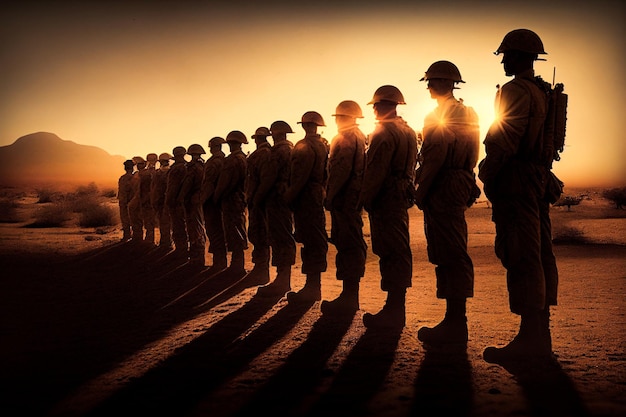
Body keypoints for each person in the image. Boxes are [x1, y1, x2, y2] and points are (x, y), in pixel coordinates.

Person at [478, 29, 560, 362]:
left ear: (517, 56)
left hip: (518, 180)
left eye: (506, 55)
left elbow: (503, 140)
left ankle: (531, 341)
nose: (504, 60)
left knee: (522, 254)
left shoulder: (515, 91)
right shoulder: (541, 91)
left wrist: (487, 173)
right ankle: (539, 336)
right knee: (538, 252)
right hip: (536, 179)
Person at [414, 61, 481, 344]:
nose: (428, 86)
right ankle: (455, 320)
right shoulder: (468, 112)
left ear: (441, 83)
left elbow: (434, 158)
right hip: (460, 181)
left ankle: (455, 323)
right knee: (453, 249)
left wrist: (421, 191)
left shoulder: (438, 116)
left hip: (442, 185)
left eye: (431, 82)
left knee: (448, 251)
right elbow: (472, 154)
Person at [360, 85, 418, 329]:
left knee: (389, 250)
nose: (373, 109)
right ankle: (396, 307)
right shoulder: (408, 131)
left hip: (386, 197)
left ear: (381, 106)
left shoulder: (383, 133)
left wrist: (366, 199)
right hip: (401, 194)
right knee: (399, 249)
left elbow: (375, 171)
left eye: (375, 105)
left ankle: (394, 310)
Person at [320, 100, 367, 316]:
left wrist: (330, 196)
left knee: (348, 243)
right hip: (351, 198)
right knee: (349, 242)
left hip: (345, 198)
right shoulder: (358, 135)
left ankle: (349, 297)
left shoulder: (346, 137)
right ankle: (349, 295)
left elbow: (341, 170)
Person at [284, 111, 329, 304]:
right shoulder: (323, 145)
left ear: (304, 126)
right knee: (315, 239)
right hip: (317, 193)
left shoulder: (305, 146)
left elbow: (299, 176)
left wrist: (289, 196)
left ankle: (312, 288)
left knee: (310, 240)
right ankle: (313, 286)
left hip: (306, 196)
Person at [255, 121, 297, 298]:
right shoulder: (291, 149)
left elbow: (268, 176)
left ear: (275, 135)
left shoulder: (278, 151)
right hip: (285, 197)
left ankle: (282, 280)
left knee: (280, 237)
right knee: (284, 235)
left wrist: (257, 197)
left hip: (276, 198)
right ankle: (283, 278)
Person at [214, 131, 249, 277]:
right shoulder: (244, 159)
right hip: (240, 198)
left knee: (233, 230)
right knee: (239, 228)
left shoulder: (232, 160)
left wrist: (217, 196)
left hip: (230, 199)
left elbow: (224, 182)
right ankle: (238, 263)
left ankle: (237, 265)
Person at [245, 127, 273, 285]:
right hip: (259, 198)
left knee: (259, 233)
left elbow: (262, 179)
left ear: (256, 139)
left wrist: (256, 198)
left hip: (259, 199)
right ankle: (261, 268)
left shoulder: (261, 154)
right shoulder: (267, 152)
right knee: (259, 232)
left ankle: (262, 270)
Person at [201, 137, 228, 275]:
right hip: (220, 201)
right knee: (219, 231)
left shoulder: (214, 162)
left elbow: (209, 184)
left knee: (215, 231)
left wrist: (203, 200)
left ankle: (219, 263)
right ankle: (220, 262)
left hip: (212, 201)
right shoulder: (224, 160)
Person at [179, 144, 207, 268]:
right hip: (200, 199)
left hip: (192, 201)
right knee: (199, 228)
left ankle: (197, 259)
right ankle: (199, 257)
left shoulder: (193, 168)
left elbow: (187, 185)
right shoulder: (203, 166)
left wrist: (181, 197)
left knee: (194, 229)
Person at [165, 146, 189, 260]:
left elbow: (173, 187)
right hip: (181, 201)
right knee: (180, 225)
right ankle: (182, 248)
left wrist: (170, 200)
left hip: (176, 201)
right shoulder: (186, 167)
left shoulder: (177, 169)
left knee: (178, 225)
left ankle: (182, 249)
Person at [151, 152, 173, 252]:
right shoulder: (160, 172)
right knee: (163, 222)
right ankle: (165, 242)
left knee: (165, 222)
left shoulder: (167, 172)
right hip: (161, 199)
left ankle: (166, 243)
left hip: (165, 200)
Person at [140, 153, 158, 245]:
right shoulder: (157, 172)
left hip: (148, 199)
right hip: (155, 199)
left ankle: (150, 239)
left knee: (148, 220)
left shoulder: (144, 173)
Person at [128, 156, 146, 244]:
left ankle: (138, 237)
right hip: (138, 198)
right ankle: (137, 236)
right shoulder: (137, 174)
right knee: (136, 218)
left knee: (138, 218)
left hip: (140, 199)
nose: (139, 166)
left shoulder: (143, 175)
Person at [117, 159, 135, 242]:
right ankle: (130, 235)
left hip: (127, 201)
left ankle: (128, 235)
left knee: (127, 219)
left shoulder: (124, 178)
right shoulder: (133, 177)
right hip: (128, 201)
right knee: (131, 219)